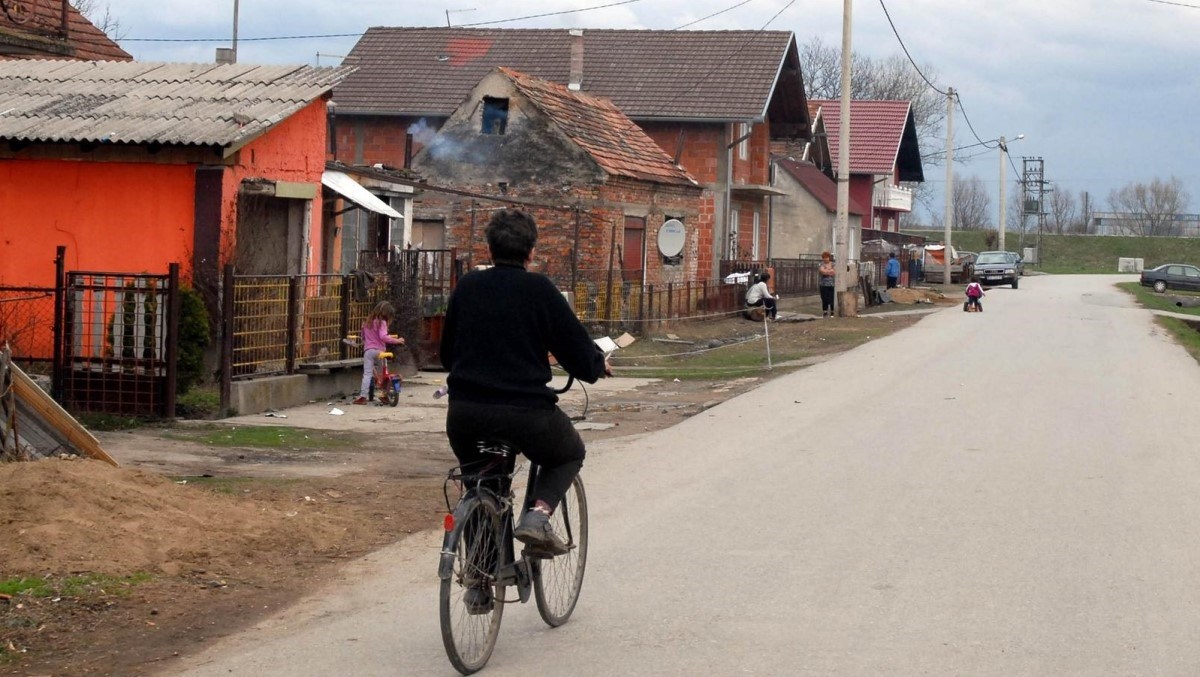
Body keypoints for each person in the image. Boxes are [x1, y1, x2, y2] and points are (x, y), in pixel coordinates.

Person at [441, 208, 610, 562]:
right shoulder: (540, 290)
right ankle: (538, 515)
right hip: (525, 415)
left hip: (466, 415)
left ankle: (480, 578)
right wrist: (596, 365)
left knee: (480, 481)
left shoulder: (467, 286)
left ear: (489, 249)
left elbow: (446, 355)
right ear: (531, 252)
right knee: (570, 453)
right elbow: (576, 350)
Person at [353, 301, 406, 405]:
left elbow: (363, 337)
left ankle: (362, 397)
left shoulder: (366, 322)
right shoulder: (382, 322)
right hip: (379, 352)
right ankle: (384, 395)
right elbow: (382, 336)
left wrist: (368, 342)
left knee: (367, 374)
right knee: (384, 372)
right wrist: (397, 340)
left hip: (368, 351)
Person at [818, 251, 836, 318]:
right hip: (823, 285)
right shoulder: (821, 264)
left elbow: (834, 272)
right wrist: (829, 271)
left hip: (832, 284)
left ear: (829, 257)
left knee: (832, 298)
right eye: (824, 258)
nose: (826, 259)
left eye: (827, 257)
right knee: (824, 298)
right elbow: (822, 271)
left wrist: (827, 271)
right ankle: (825, 312)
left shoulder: (833, 264)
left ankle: (832, 311)